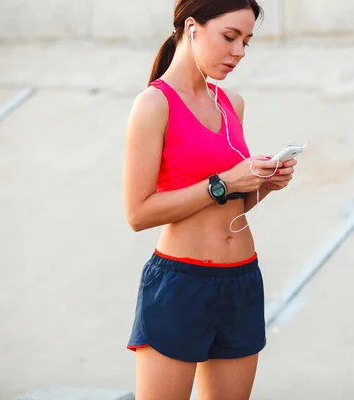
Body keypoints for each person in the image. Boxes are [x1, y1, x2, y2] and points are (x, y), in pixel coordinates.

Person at [122, 1, 297, 399]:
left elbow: (229, 203)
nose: (239, 52)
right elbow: (137, 213)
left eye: (247, 42)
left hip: (242, 281)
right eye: (230, 37)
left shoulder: (231, 103)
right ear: (191, 27)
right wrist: (221, 183)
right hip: (181, 284)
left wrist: (261, 185)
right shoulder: (154, 104)